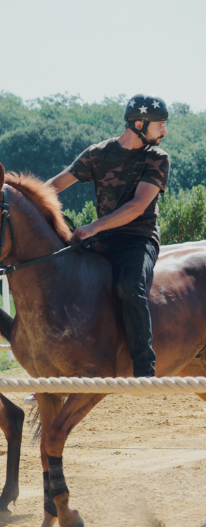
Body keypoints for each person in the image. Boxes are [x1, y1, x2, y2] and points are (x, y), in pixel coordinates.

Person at [48, 94, 170, 378]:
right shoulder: (97, 153)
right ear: (139, 123)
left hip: (138, 238)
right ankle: (53, 364)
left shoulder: (157, 158)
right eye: (160, 125)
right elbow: (55, 184)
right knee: (58, 281)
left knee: (129, 286)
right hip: (102, 238)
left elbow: (138, 206)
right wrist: (20, 200)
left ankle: (143, 369)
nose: (164, 131)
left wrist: (93, 227)